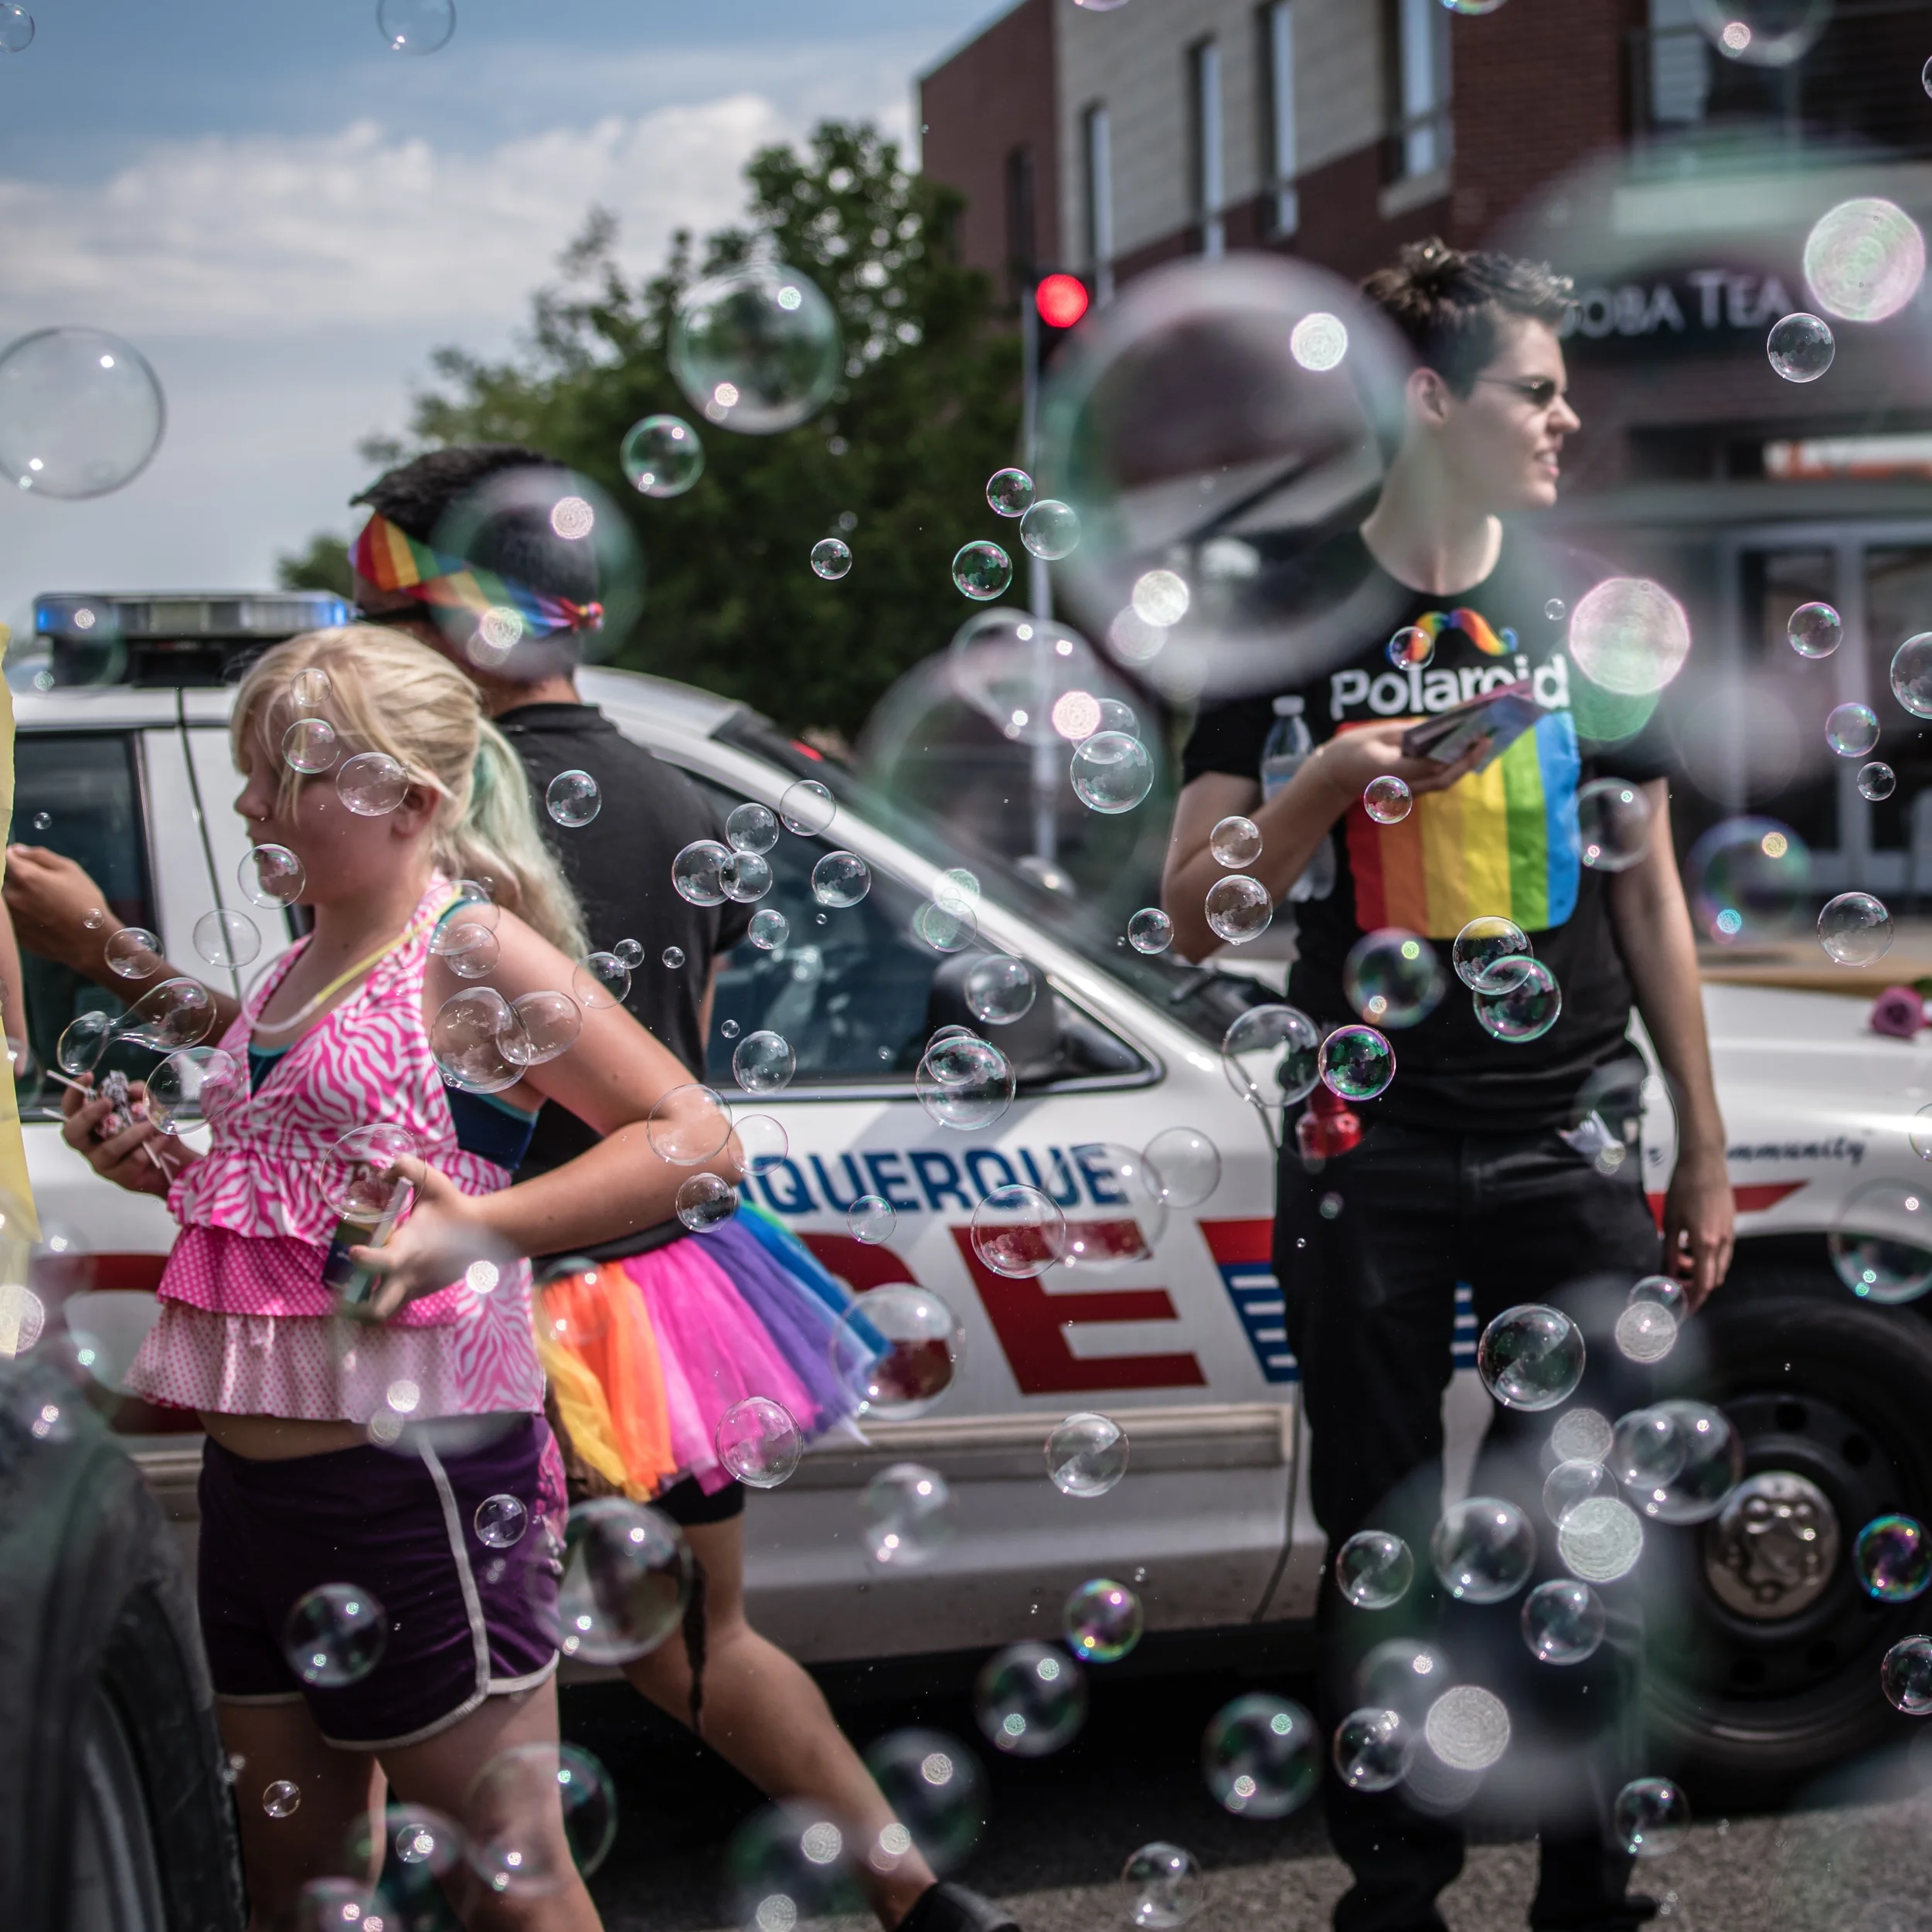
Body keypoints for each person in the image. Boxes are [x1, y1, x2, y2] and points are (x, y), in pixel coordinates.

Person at [344, 444, 1017, 1932]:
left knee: (457, 1673)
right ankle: (915, 1892)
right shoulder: (678, 796)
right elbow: (681, 1075)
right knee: (698, 1636)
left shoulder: (420, 812)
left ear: (471, 620)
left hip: (496, 1291)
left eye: (386, 610)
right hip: (663, 1292)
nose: (364, 647)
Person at [1162, 240, 1734, 1932]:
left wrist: (1696, 1147)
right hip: (1372, 1140)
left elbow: (1644, 888)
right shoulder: (1283, 605)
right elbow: (1199, 902)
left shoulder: (1582, 611)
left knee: (1592, 1519)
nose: (1566, 416)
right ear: (1428, 400)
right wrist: (1326, 776)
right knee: (1380, 1528)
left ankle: (1588, 1881)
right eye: (1532, 388)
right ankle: (1393, 1890)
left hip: (1567, 1130)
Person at [61, 623, 733, 1930]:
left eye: (285, 775)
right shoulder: (294, 962)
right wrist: (163, 1167)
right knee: (300, 1894)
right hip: (254, 1496)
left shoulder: (465, 954)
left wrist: (483, 1228)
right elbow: (299, 1200)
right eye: (251, 775)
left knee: (513, 1885)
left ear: (412, 800)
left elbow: (697, 1138)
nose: (252, 804)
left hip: (415, 1483)